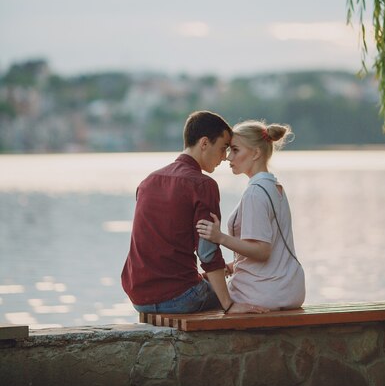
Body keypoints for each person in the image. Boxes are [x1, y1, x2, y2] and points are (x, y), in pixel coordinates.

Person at [121, 110, 267, 315]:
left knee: (210, 282)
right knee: (245, 293)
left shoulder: (148, 181)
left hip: (139, 297)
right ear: (204, 143)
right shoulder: (202, 185)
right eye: (223, 148)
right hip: (180, 298)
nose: (225, 157)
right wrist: (230, 305)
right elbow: (207, 252)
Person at [196, 120, 305, 311]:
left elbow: (262, 251)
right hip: (290, 289)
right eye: (229, 150)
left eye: (235, 150)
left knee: (195, 296)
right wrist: (230, 267)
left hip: (263, 292)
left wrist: (219, 237)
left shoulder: (255, 192)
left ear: (256, 153)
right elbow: (271, 249)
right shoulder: (275, 187)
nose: (229, 157)